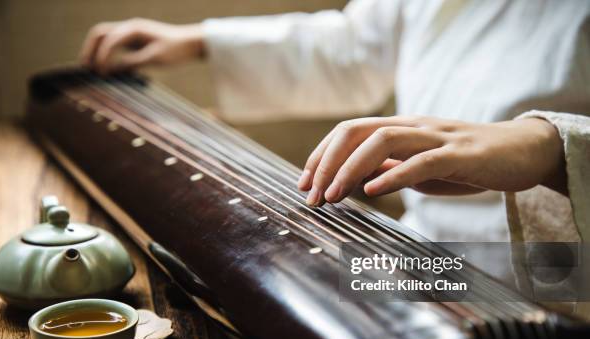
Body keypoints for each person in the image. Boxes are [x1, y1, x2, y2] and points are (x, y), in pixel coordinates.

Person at [79, 0, 590, 249]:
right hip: (428, 253)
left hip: (559, 283)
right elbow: (355, 45)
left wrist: (552, 147)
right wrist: (200, 42)